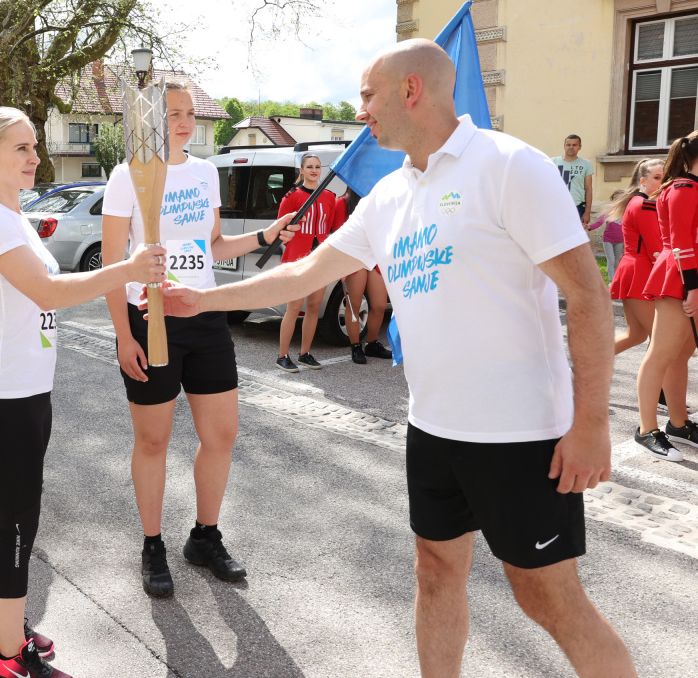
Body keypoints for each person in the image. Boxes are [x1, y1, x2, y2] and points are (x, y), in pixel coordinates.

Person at [155, 40, 636, 678]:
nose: (360, 113)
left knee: (546, 597)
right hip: (431, 430)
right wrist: (204, 299)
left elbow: (589, 297)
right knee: (434, 573)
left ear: (412, 91)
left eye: (368, 96)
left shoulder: (509, 165)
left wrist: (591, 423)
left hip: (519, 436)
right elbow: (303, 272)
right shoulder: (388, 195)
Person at [0, 106, 165, 678]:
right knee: (17, 527)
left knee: (1, 514)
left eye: (34, 146)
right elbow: (48, 292)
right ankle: (9, 658)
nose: (35, 156)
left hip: (21, 396)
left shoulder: (11, 215)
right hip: (7, 403)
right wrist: (127, 269)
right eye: (22, 148)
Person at [101, 77, 297, 599]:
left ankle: (204, 537)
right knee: (153, 440)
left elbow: (212, 246)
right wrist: (123, 336)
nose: (185, 122)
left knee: (221, 435)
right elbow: (113, 265)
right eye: (173, 114)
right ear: (151, 121)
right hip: (151, 320)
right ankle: (152, 545)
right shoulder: (128, 175)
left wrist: (265, 235)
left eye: (190, 113)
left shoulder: (206, 172)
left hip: (204, 315)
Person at [635, 134, 698, 462]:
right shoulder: (683, 188)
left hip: (690, 277)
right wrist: (693, 287)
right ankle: (647, 429)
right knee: (660, 354)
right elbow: (681, 242)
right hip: (680, 278)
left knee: (681, 354)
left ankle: (678, 424)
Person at [275, 153, 340, 371]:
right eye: (310, 167)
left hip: (319, 259)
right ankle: (282, 356)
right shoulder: (291, 196)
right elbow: (280, 230)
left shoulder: (329, 196)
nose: (314, 170)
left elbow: (329, 228)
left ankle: (305, 354)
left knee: (313, 307)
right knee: (293, 308)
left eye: (317, 167)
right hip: (297, 259)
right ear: (301, 170)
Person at [607, 159, 664, 356]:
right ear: (642, 180)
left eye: (665, 178)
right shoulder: (645, 205)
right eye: (657, 177)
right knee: (661, 339)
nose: (662, 182)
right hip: (641, 272)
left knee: (636, 335)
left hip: (633, 269)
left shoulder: (636, 202)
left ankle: (582, 366)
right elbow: (655, 249)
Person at [337, 188, 392, 365]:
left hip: (375, 257)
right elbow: (337, 235)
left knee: (379, 305)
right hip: (354, 258)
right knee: (354, 304)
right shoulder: (342, 202)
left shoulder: (378, 201)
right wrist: (341, 266)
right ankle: (355, 346)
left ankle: (372, 344)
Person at [552, 134, 594, 225]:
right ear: (564, 146)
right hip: (555, 207)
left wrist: (587, 212)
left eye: (574, 145)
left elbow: (588, 189)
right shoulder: (553, 162)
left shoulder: (586, 164)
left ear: (580, 147)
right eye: (568, 145)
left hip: (577, 208)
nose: (571, 147)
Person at [588, 193, 625, 279]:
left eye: (619, 199)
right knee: (611, 260)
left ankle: (616, 279)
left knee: (617, 261)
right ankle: (611, 280)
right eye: (615, 199)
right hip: (608, 240)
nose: (617, 201)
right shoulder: (608, 211)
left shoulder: (625, 211)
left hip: (620, 240)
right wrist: (589, 227)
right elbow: (599, 222)